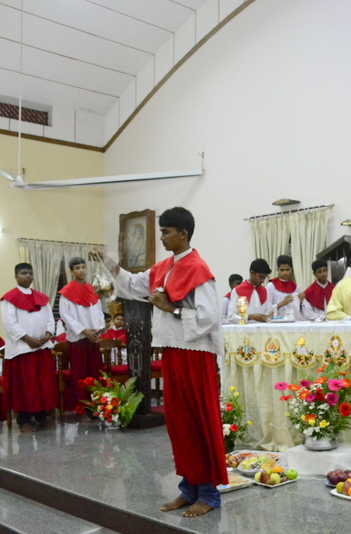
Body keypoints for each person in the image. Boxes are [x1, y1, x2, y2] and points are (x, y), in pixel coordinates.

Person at [96, 206, 227, 517]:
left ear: (183, 234)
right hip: (172, 350)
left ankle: (208, 493)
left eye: (166, 232)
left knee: (197, 421)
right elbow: (132, 285)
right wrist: (107, 261)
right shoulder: (164, 267)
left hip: (195, 354)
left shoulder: (198, 269)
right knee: (179, 423)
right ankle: (189, 488)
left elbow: (209, 317)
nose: (163, 237)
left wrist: (172, 308)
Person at [0, 263, 57, 433]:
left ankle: (41, 417)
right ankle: (23, 420)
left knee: (42, 385)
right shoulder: (9, 298)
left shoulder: (42, 298)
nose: (28, 276)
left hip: (42, 347)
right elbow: (9, 323)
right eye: (24, 273)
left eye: (30, 273)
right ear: (16, 276)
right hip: (22, 349)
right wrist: (27, 339)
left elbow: (50, 319)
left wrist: (48, 334)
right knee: (25, 387)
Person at [59, 257, 105, 415]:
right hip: (78, 339)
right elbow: (65, 315)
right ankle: (82, 409)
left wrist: (99, 329)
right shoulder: (66, 292)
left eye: (83, 267)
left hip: (93, 338)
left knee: (95, 373)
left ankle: (98, 407)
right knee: (80, 375)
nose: (81, 270)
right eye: (77, 268)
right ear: (71, 272)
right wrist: (84, 331)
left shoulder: (92, 289)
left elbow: (99, 311)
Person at [227, 259, 272, 323]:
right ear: (252, 273)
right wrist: (249, 317)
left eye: (265, 277)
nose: (262, 280)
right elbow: (231, 316)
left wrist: (269, 315)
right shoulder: (238, 290)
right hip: (245, 328)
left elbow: (267, 311)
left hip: (262, 328)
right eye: (260, 277)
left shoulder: (264, 290)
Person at [266, 255, 309, 321]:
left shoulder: (295, 287)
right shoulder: (271, 286)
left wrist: (301, 300)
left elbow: (300, 309)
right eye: (282, 270)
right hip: (277, 321)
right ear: (277, 270)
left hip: (293, 321)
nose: (285, 273)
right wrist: (282, 303)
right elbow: (267, 309)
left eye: (287, 270)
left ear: (292, 270)